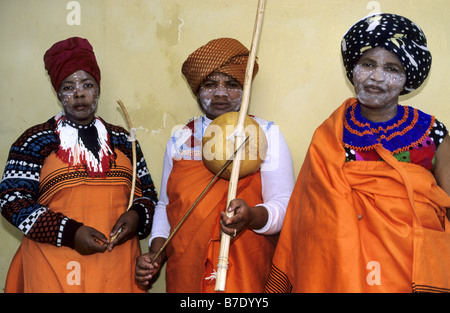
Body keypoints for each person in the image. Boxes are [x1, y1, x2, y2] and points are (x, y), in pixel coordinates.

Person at [265, 13, 450, 293]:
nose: (377, 77)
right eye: (367, 64)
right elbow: (309, 216)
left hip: (412, 271)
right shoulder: (330, 134)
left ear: (407, 77)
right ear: (353, 68)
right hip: (337, 271)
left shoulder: (432, 132)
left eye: (392, 68)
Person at [135, 37, 295, 292]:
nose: (220, 93)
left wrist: (251, 216)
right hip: (186, 272)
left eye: (231, 84)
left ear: (245, 88)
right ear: (197, 89)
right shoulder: (181, 138)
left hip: (244, 275)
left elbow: (284, 206)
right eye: (210, 84)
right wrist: (156, 253)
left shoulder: (265, 134)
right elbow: (167, 205)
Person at [0, 37, 157, 292]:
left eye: (87, 84)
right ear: (57, 92)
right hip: (53, 268)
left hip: (117, 269)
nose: (80, 94)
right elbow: (12, 202)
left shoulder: (123, 139)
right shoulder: (35, 140)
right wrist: (69, 232)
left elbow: (148, 194)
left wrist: (136, 216)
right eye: (68, 87)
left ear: (98, 88)